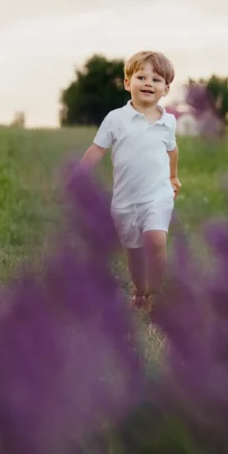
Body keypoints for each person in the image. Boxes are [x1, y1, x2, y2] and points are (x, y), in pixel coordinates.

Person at [76, 51, 182, 311]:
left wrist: (172, 175)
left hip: (158, 196)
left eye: (156, 79)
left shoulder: (168, 122)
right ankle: (138, 288)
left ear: (165, 89)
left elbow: (172, 150)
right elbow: (97, 149)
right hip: (125, 201)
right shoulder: (115, 119)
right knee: (134, 251)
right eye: (141, 77)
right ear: (127, 83)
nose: (148, 83)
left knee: (156, 240)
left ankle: (156, 292)